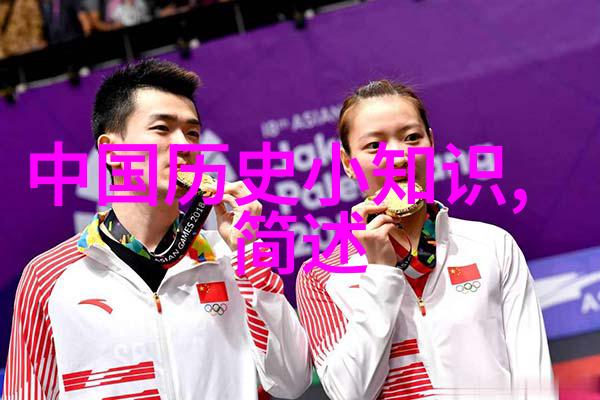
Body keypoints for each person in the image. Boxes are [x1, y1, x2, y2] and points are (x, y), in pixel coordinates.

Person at [3, 59, 311, 400]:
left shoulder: (229, 258)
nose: (184, 145)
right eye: (162, 128)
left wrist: (247, 255)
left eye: (192, 133)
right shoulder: (48, 277)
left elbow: (292, 380)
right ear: (111, 151)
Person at [296, 80, 555, 400]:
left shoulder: (492, 245)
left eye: (411, 138)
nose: (398, 157)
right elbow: (349, 392)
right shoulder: (322, 275)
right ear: (348, 163)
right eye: (374, 146)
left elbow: (534, 378)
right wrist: (379, 274)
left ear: (431, 143)